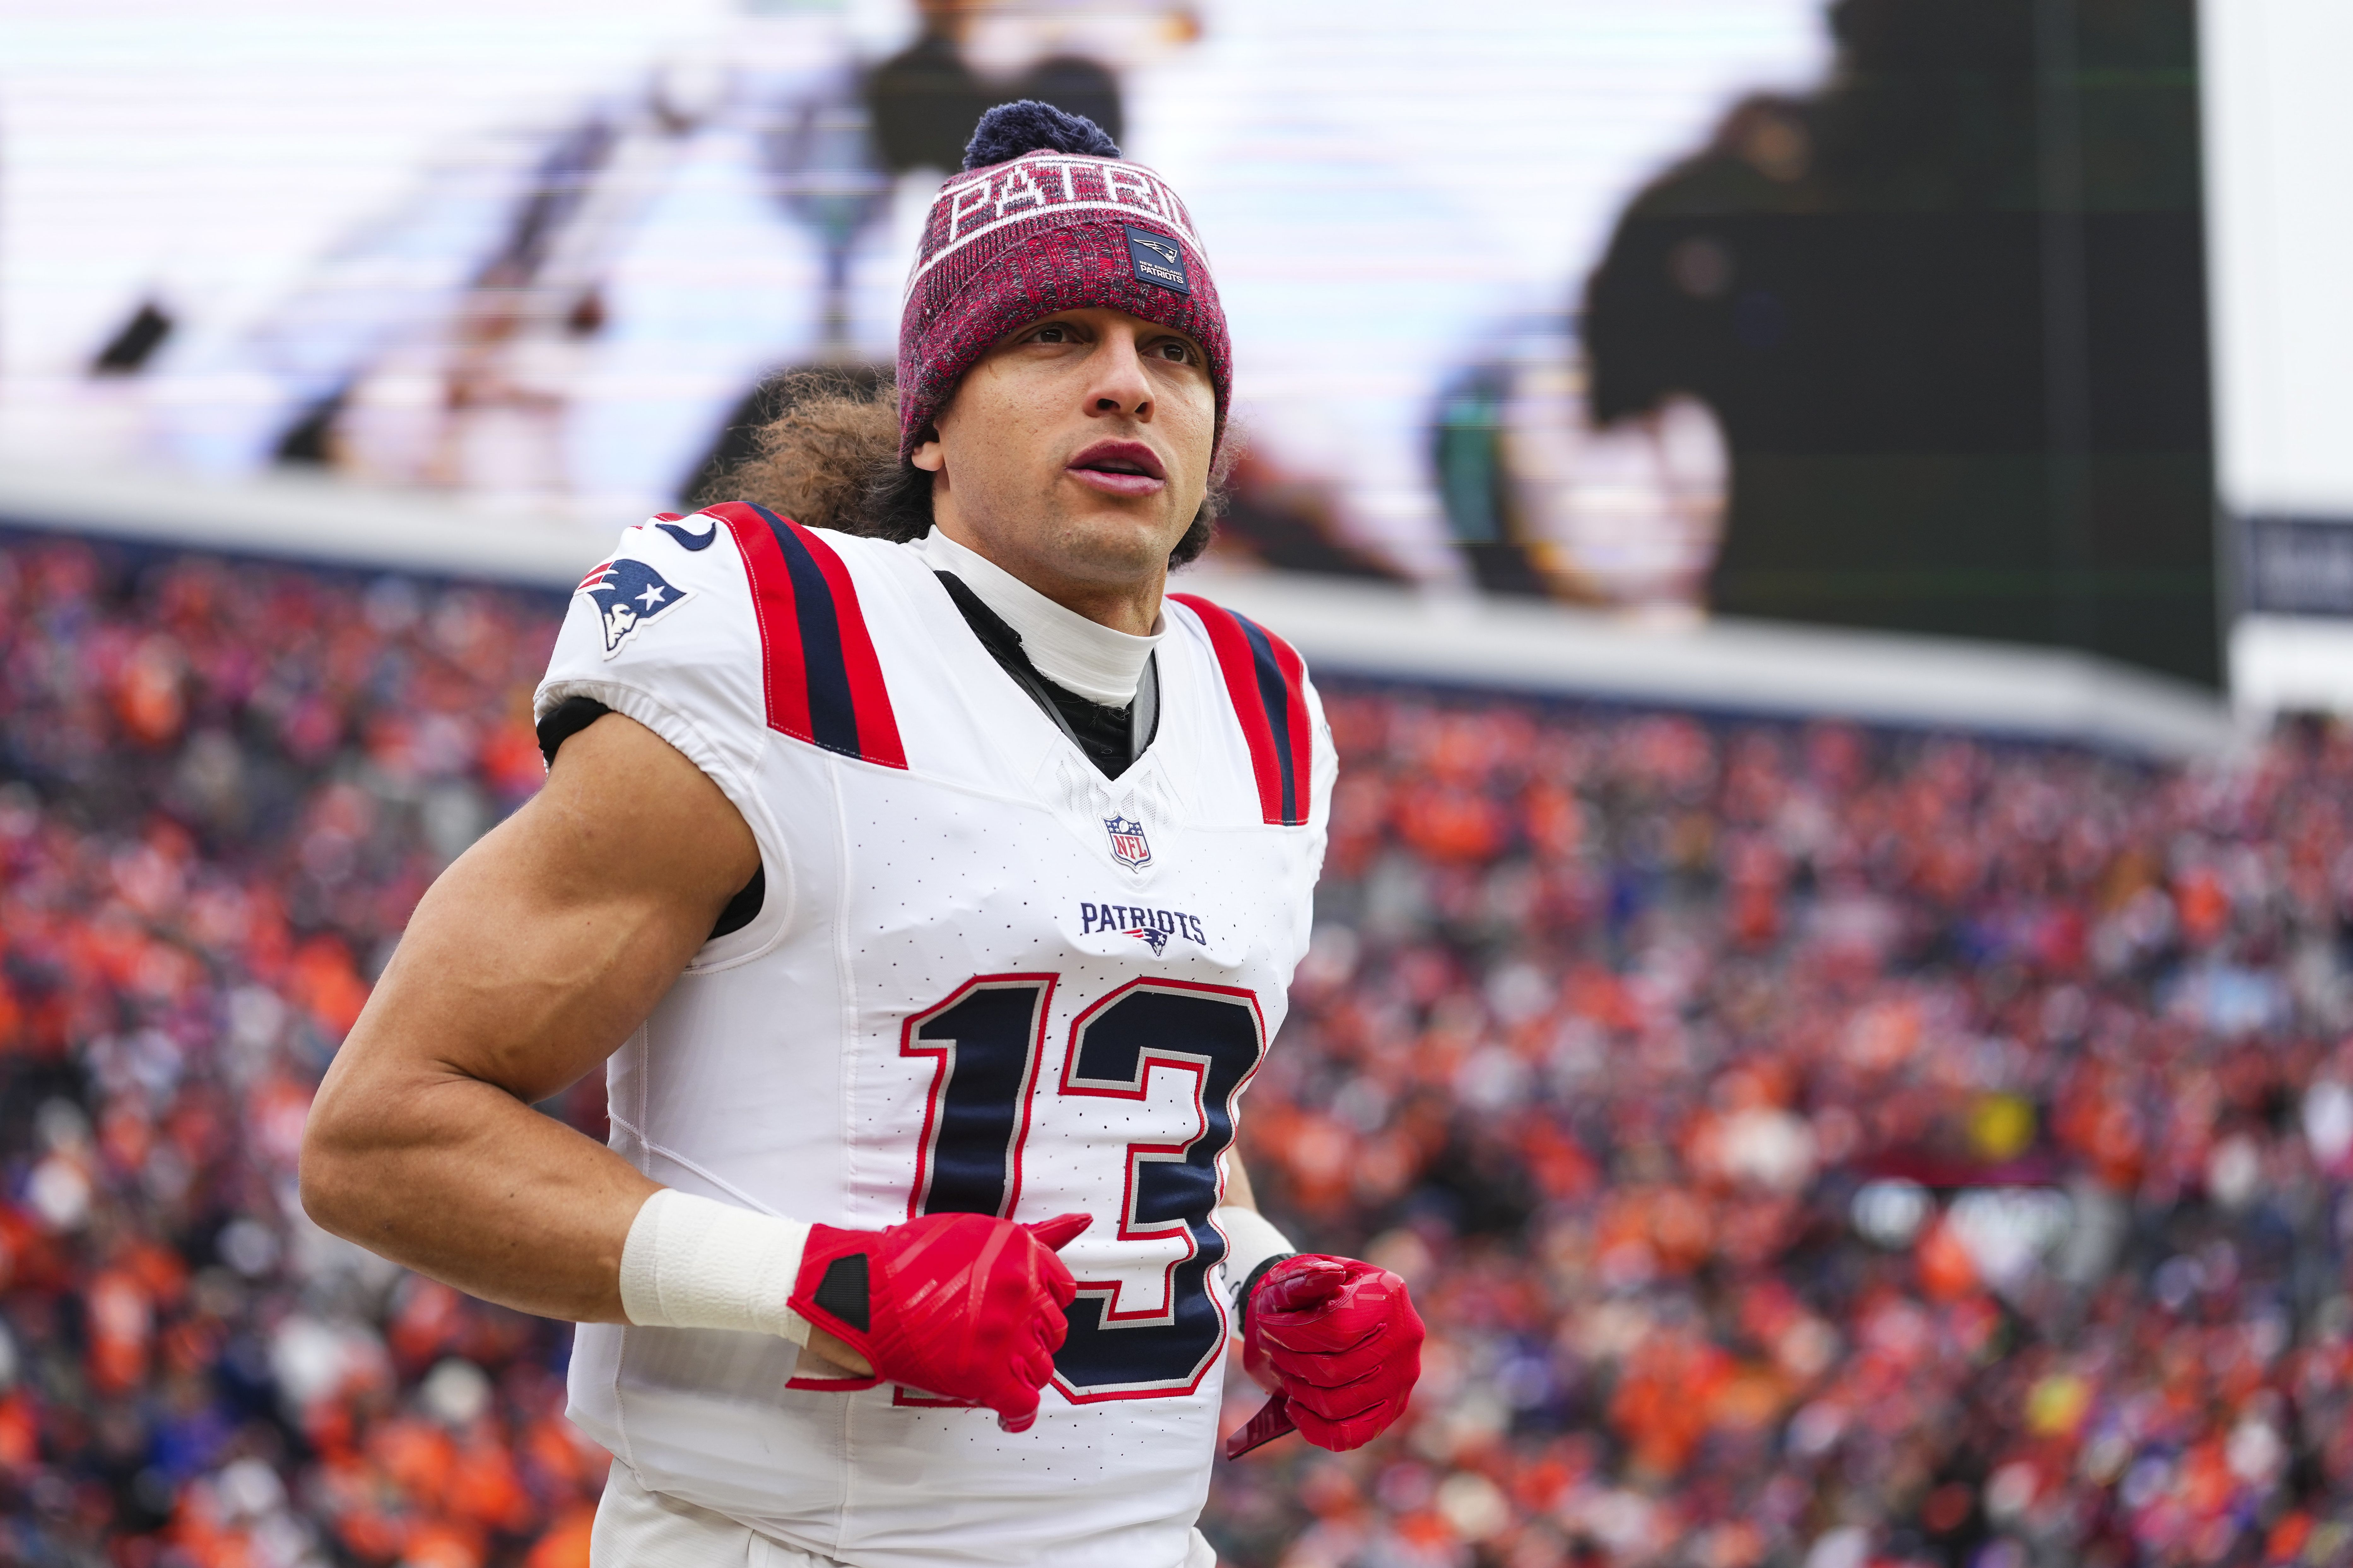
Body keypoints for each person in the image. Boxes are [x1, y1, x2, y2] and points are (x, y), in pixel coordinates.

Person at [299, 101, 1424, 1568]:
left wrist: (1259, 1277)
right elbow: (382, 1138)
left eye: (1170, 354)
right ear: (932, 419)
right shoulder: (777, 648)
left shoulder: (1263, 709)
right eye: (1053, 337)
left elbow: (1115, 1117)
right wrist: (814, 1279)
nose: (1125, 387)